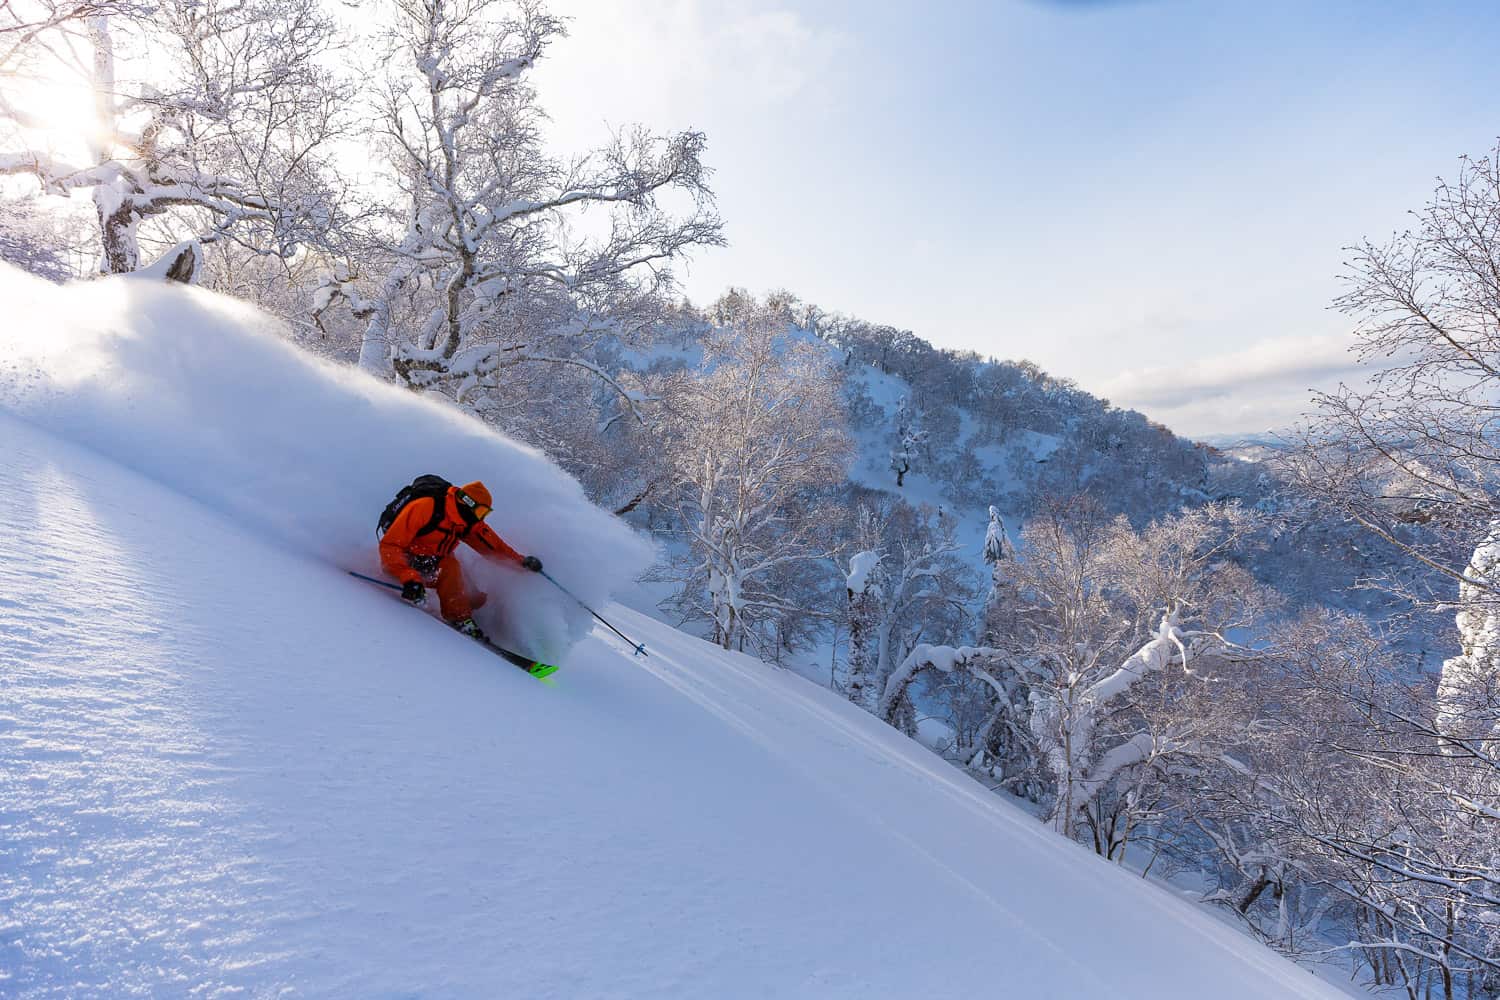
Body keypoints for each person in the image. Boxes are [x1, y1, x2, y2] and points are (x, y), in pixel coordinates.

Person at [378, 480, 542, 641]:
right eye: (480, 513)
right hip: (404, 562)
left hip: (433, 560)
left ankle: (480, 614)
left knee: (471, 593)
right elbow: (390, 545)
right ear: (467, 503)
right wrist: (408, 578)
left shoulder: (465, 521)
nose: (480, 519)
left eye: (485, 514)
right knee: (451, 568)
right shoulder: (425, 507)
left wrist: (521, 562)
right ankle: (460, 619)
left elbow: (493, 546)